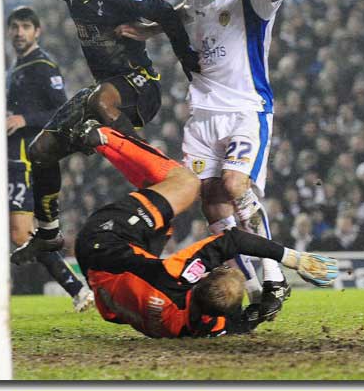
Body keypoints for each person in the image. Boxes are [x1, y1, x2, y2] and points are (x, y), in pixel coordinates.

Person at [118, 0, 293, 321]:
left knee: (235, 187)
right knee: (212, 202)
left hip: (245, 110)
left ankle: (274, 277)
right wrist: (145, 31)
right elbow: (182, 15)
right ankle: (250, 288)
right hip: (202, 114)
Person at [3, 0, 199, 264]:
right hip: (103, 90)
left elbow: (166, 11)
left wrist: (187, 61)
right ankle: (49, 235)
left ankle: (157, 176)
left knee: (100, 102)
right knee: (40, 151)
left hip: (140, 86)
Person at [72, 122, 337, 338]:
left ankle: (102, 134)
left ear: (200, 276)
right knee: (164, 218)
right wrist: (258, 312)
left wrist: (295, 259)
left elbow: (232, 241)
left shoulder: (177, 276)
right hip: (105, 283)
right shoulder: (200, 326)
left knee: (186, 183)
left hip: (103, 240)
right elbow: (236, 324)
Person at [5, 6, 94, 312]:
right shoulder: (15, 68)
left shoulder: (43, 66)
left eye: (26, 27)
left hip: (23, 159)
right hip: (5, 157)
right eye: (15, 27)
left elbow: (62, 109)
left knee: (20, 233)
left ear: (37, 31)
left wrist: (23, 118)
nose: (20, 32)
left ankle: (77, 289)